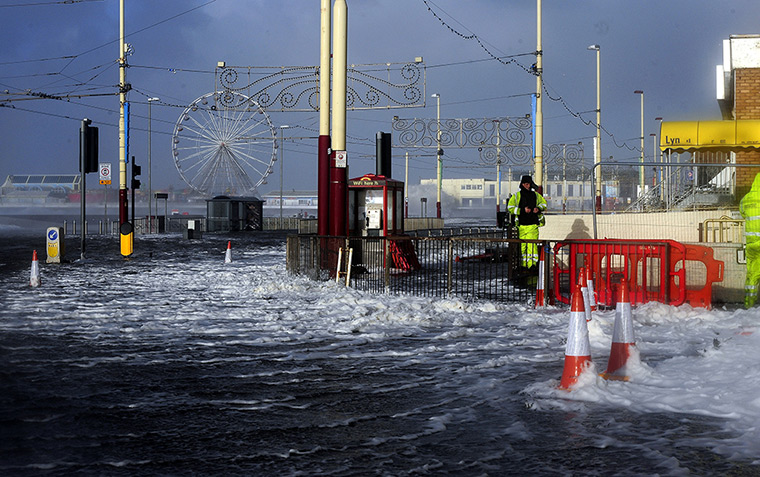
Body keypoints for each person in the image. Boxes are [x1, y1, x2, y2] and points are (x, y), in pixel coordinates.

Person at [507, 175, 547, 270]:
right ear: (522, 184)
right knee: (523, 247)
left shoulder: (535, 195)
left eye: (529, 184)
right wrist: (522, 210)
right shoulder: (517, 196)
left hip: (532, 225)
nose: (527, 186)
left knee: (531, 246)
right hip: (521, 226)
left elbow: (544, 204)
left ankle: (532, 266)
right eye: (526, 184)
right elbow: (510, 208)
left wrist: (538, 208)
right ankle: (524, 265)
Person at [740, 172, 760, 308]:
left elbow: (742, 212)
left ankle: (749, 304)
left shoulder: (746, 199)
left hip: (752, 244)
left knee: (752, 275)